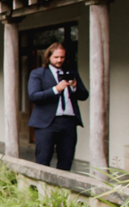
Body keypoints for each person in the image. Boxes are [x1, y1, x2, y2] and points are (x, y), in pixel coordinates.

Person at [27, 42, 89, 171]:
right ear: (48, 57)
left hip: (69, 122)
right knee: (43, 160)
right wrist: (55, 89)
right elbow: (34, 96)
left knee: (66, 160)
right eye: (56, 57)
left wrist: (75, 86)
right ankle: (40, 190)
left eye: (62, 57)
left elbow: (84, 95)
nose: (59, 60)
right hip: (46, 123)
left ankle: (61, 191)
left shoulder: (71, 72)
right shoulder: (38, 73)